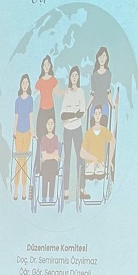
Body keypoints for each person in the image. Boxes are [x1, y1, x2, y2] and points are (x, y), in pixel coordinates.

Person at [59, 65, 87, 197]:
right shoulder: (67, 92)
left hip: (77, 129)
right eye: (72, 75)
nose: (74, 77)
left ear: (78, 77)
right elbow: (62, 115)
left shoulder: (81, 91)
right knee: (67, 159)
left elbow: (82, 113)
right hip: (67, 130)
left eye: (76, 75)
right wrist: (74, 114)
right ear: (70, 77)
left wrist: (71, 116)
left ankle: (81, 188)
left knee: (80, 158)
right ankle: (66, 190)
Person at [11, 73, 33, 200]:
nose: (25, 85)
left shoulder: (30, 99)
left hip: (27, 132)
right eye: (23, 83)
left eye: (26, 83)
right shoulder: (17, 101)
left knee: (24, 160)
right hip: (19, 132)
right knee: (19, 160)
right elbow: (16, 117)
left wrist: (32, 130)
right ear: (20, 85)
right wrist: (14, 131)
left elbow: (31, 115)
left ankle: (24, 189)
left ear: (28, 85)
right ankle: (16, 189)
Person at [79, 105, 115, 183]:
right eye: (96, 113)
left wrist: (110, 160)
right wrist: (93, 158)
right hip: (90, 163)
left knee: (99, 174)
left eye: (99, 113)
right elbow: (82, 153)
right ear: (93, 115)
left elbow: (113, 141)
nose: (97, 115)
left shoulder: (104, 131)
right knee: (90, 174)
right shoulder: (88, 133)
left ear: (101, 115)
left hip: (100, 162)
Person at [34, 114, 60, 202]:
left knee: (53, 174)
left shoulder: (55, 138)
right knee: (44, 174)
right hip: (45, 164)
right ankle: (44, 197)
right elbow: (44, 155)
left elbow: (56, 154)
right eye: (48, 123)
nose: (50, 125)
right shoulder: (43, 138)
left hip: (53, 163)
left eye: (52, 123)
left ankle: (51, 197)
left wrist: (50, 156)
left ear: (54, 125)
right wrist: (53, 156)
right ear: (46, 125)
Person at [89, 45, 112, 124]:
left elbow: (108, 91)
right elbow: (92, 92)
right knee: (93, 126)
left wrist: (112, 105)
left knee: (103, 126)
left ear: (106, 58)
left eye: (104, 56)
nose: (102, 59)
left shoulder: (108, 74)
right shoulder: (94, 75)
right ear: (98, 58)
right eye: (100, 56)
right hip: (95, 104)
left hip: (104, 104)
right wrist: (87, 107)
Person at [34, 54, 58, 119]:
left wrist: (65, 91)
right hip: (42, 108)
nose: (46, 67)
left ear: (50, 65)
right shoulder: (40, 81)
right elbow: (34, 93)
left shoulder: (53, 80)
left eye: (48, 64)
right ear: (42, 67)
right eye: (45, 65)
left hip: (51, 107)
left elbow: (58, 92)